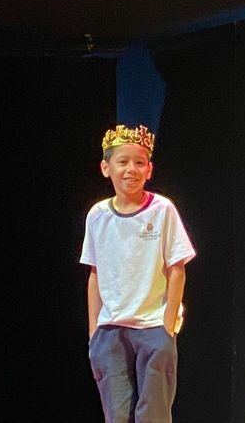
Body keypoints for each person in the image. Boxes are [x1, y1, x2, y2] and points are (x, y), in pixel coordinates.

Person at [81, 124, 196, 423]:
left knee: (154, 414)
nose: (131, 169)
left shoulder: (162, 210)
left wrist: (167, 325)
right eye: (123, 162)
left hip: (153, 327)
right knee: (116, 414)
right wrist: (94, 331)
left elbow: (177, 268)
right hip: (111, 329)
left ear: (149, 169)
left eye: (139, 162)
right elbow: (95, 273)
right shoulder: (98, 215)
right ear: (106, 168)